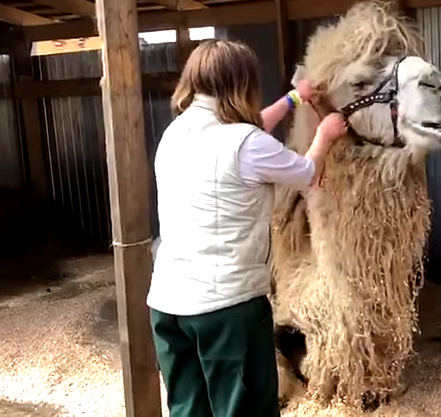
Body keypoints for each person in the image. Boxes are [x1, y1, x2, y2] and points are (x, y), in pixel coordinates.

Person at [146, 38, 347, 417]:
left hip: (167, 305)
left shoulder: (175, 133)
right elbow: (306, 173)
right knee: (244, 409)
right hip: (225, 309)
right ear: (242, 83)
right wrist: (325, 135)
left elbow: (248, 132)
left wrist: (295, 99)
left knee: (188, 409)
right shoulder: (245, 143)